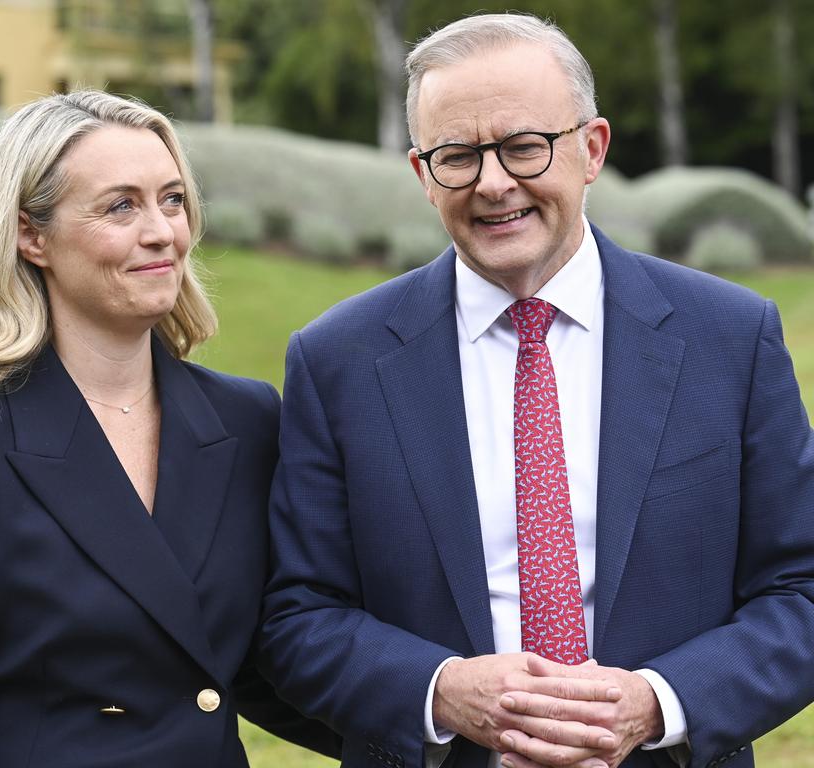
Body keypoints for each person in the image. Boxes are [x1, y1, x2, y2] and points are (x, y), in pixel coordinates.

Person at [260, 12, 814, 768]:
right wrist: (442, 691)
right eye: (457, 156)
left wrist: (658, 703)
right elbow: (297, 617)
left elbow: (801, 591)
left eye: (524, 147)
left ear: (592, 150)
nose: (493, 184)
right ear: (423, 176)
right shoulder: (336, 362)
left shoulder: (730, 339)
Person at [0, 89, 339, 768]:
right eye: (121, 206)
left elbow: (268, 656)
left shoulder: (247, 418)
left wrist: (449, 728)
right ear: (31, 235)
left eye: (172, 199)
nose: (163, 231)